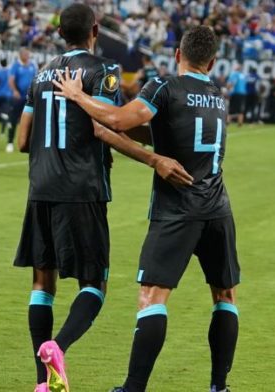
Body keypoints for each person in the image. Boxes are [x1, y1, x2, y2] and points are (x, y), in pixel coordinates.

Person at [13, 4, 193, 392]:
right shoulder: (102, 71)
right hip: (81, 190)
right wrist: (154, 158)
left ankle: (42, 383)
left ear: (60, 33)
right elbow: (106, 127)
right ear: (95, 29)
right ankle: (56, 347)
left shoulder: (41, 74)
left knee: (42, 284)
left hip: (40, 188)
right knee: (94, 286)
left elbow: (22, 140)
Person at [53, 25, 240, 392]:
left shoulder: (164, 86)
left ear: (177, 55)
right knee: (225, 296)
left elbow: (122, 119)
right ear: (213, 62)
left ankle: (133, 388)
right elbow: (158, 130)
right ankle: (220, 386)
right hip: (218, 207)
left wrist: (78, 96)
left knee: (152, 296)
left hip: (178, 209)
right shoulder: (218, 96)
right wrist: (113, 131)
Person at [7, 48, 36, 152]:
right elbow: (11, 80)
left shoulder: (32, 65)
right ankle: (10, 142)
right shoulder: (15, 66)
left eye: (28, 54)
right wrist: (15, 91)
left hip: (29, 98)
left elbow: (35, 79)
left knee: (32, 120)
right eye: (26, 54)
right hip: (18, 97)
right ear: (21, 55)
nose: (27, 56)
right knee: (13, 119)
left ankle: (29, 142)